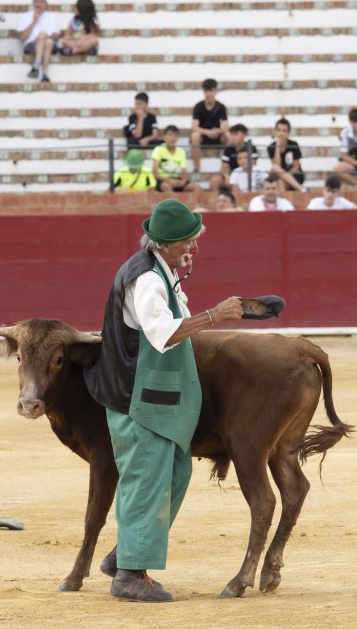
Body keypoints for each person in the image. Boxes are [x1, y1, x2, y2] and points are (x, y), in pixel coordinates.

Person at [84, 199, 243, 602]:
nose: (194, 246)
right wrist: (214, 316)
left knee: (173, 474)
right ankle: (130, 576)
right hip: (138, 399)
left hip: (150, 396)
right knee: (147, 479)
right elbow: (164, 334)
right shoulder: (148, 280)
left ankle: (126, 551)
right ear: (168, 244)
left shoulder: (159, 269)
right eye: (189, 240)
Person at [17, 0, 60, 83]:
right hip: (31, 45)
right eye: (36, 1)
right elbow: (22, 38)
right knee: (47, 41)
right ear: (33, 2)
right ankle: (45, 74)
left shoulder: (51, 16)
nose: (38, 4)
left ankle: (36, 65)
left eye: (41, 2)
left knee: (46, 39)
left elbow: (56, 35)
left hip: (49, 43)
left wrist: (42, 37)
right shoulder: (26, 16)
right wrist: (34, 22)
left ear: (45, 3)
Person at [189, 78, 228, 173]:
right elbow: (194, 127)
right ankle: (197, 168)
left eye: (211, 91)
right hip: (203, 136)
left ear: (215, 91)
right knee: (195, 136)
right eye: (206, 91)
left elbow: (226, 127)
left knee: (229, 136)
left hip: (217, 136)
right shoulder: (198, 106)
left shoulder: (221, 107)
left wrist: (217, 131)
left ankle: (227, 167)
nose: (208, 94)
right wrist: (208, 132)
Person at [152, 125, 199, 193]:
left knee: (196, 187)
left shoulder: (181, 151)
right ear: (164, 136)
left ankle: (195, 204)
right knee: (166, 186)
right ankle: (173, 204)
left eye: (175, 135)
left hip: (176, 179)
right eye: (170, 135)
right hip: (163, 180)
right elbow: (154, 172)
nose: (172, 138)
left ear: (178, 138)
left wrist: (182, 182)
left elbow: (184, 171)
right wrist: (169, 180)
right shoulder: (158, 149)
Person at [266, 117, 305, 192]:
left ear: (288, 133)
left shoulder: (293, 144)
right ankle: (301, 189)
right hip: (279, 176)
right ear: (275, 131)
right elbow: (277, 166)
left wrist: (286, 177)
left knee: (281, 180)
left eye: (284, 131)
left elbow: (296, 167)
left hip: (295, 176)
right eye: (279, 130)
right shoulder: (271, 147)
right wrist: (277, 147)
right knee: (276, 171)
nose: (281, 133)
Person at [214, 123, 256, 190]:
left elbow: (253, 164)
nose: (233, 136)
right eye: (231, 134)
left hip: (246, 174)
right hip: (232, 175)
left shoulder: (251, 147)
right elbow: (223, 168)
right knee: (215, 180)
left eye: (236, 134)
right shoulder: (228, 149)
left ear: (244, 135)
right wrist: (227, 176)